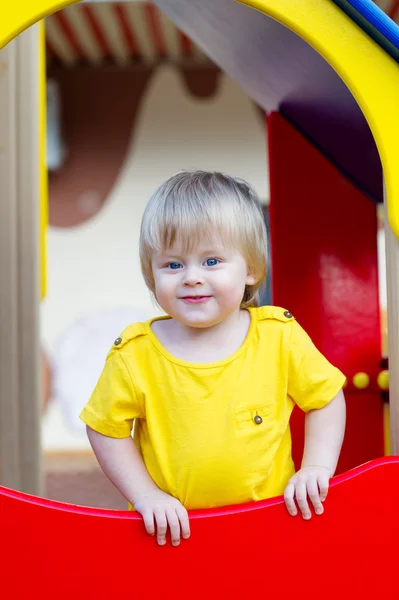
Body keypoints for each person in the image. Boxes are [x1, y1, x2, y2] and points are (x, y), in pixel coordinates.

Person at [80, 170, 346, 547]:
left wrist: (315, 467)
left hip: (269, 526)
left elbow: (326, 398)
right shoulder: (136, 354)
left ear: (251, 269)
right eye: (173, 265)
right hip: (172, 536)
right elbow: (105, 427)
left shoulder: (277, 336)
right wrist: (146, 496)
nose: (191, 277)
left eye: (211, 261)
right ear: (152, 275)